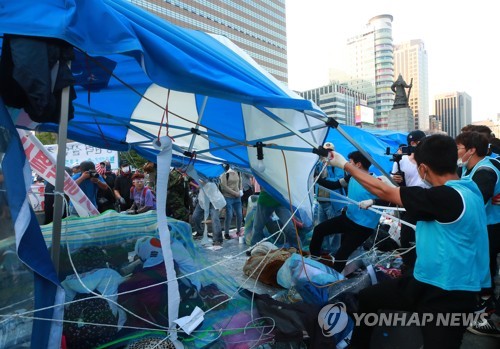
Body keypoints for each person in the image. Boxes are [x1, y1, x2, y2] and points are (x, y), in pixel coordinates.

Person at [328, 134, 490, 348]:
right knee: (369, 298)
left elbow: (383, 191)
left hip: (450, 293)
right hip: (424, 281)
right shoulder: (469, 188)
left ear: (423, 169)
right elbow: (402, 194)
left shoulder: (447, 198)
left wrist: (344, 165)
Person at [309, 151, 381, 273]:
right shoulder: (351, 177)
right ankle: (314, 261)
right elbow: (334, 185)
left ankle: (332, 280)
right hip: (348, 219)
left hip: (363, 227)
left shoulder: (375, 181)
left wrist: (373, 201)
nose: (347, 164)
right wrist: (316, 179)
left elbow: (389, 201)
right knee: (318, 230)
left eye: (350, 162)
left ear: (358, 165)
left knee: (341, 255)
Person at [456, 131, 500, 315]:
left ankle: (486, 301)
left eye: (458, 148)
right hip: (477, 225)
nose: (455, 152)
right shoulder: (465, 168)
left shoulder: (485, 171)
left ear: (471, 150)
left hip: (490, 225)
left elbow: (475, 202)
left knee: (484, 262)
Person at [390, 130, 429, 272]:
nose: (414, 146)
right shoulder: (401, 160)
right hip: (410, 201)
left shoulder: (430, 158)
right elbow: (393, 179)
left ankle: (424, 263)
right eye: (412, 143)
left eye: (417, 143)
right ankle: (409, 265)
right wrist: (395, 179)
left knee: (426, 234)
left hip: (428, 200)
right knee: (407, 235)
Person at [313, 142, 346, 253]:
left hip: (333, 202)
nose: (326, 154)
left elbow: (339, 181)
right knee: (321, 228)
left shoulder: (337, 164)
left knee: (333, 231)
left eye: (329, 151)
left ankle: (334, 253)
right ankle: (325, 252)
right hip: (321, 201)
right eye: (325, 152)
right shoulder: (320, 164)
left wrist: (322, 181)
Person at [220, 164, 243, 240]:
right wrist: (234, 193)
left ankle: (239, 230)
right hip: (228, 197)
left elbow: (240, 182)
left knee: (239, 214)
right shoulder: (224, 173)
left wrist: (240, 191)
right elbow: (224, 186)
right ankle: (226, 233)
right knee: (229, 215)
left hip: (237, 197)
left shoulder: (238, 171)